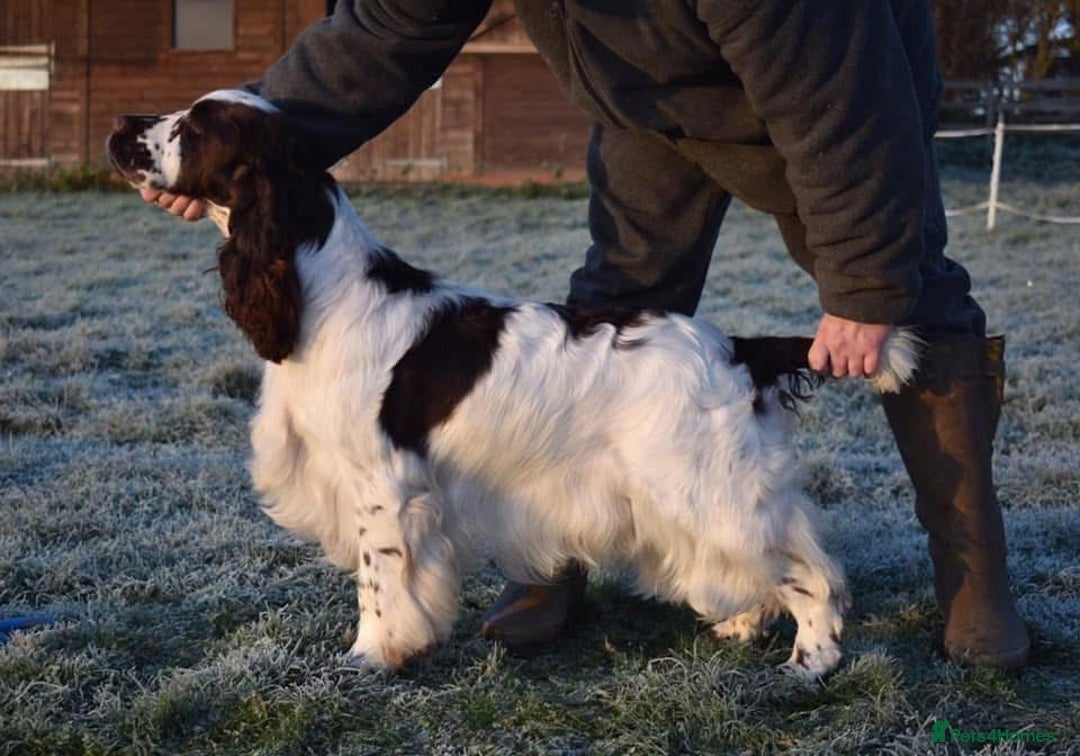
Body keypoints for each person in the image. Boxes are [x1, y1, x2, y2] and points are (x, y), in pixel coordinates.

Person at [141, 0, 1029, 669]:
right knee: (616, 305)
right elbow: (382, 29)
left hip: (825, 100)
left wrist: (866, 282)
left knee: (913, 295)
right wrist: (231, 142)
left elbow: (836, 90)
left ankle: (974, 576)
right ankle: (551, 561)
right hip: (648, 103)